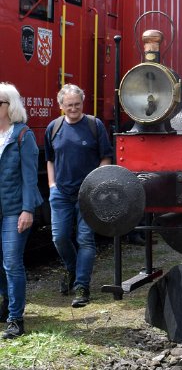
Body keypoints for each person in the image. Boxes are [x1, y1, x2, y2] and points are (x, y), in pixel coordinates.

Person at [45, 84, 113, 308]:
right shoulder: (54, 127)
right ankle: (72, 270)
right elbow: (50, 159)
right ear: (61, 105)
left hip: (89, 193)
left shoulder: (94, 125)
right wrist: (52, 185)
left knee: (85, 239)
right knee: (59, 238)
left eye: (77, 104)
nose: (73, 108)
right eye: (69, 105)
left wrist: (96, 184)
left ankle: (82, 286)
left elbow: (106, 157)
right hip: (61, 193)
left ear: (82, 103)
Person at [0, 83, 42, 339]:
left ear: (10, 106)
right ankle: (6, 303)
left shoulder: (23, 135)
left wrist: (28, 210)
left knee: (12, 263)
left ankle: (16, 319)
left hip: (15, 209)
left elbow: (29, 177)